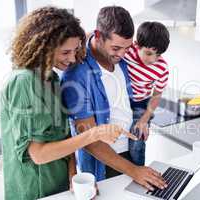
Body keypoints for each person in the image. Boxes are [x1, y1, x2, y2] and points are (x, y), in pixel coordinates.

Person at [0, 6, 136, 200]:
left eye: (75, 50)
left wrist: (73, 174)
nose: (72, 58)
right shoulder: (23, 82)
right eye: (65, 52)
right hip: (34, 189)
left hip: (60, 183)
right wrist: (95, 133)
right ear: (45, 46)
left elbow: (63, 134)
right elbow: (38, 155)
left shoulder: (52, 78)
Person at [61, 6, 167, 191]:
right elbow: (88, 137)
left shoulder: (123, 57)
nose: (122, 54)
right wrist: (134, 171)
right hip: (105, 160)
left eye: (127, 48)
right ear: (99, 36)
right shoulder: (76, 74)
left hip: (131, 152)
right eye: (116, 48)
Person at [124, 21, 170, 166]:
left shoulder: (162, 68)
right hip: (120, 102)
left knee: (137, 141)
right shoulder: (127, 50)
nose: (152, 60)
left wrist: (144, 119)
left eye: (158, 55)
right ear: (137, 45)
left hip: (141, 104)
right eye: (149, 53)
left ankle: (138, 171)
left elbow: (156, 95)